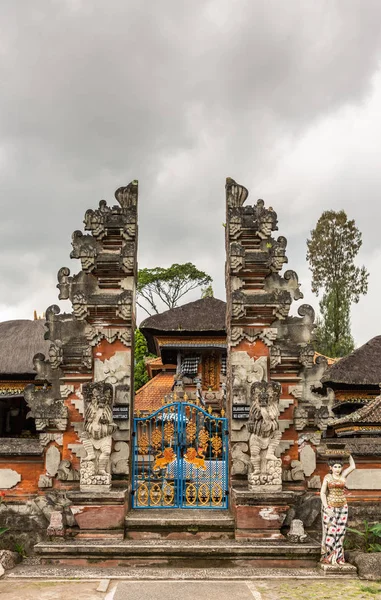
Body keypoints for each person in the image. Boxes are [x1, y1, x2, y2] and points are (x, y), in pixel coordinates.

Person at [320, 454, 356, 565]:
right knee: (331, 531)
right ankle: (329, 557)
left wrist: (348, 454)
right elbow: (322, 493)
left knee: (341, 532)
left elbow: (353, 466)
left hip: (343, 506)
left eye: (339, 467)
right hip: (330, 506)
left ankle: (339, 557)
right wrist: (326, 507)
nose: (337, 469)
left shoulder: (343, 475)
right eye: (335, 467)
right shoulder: (327, 477)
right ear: (330, 467)